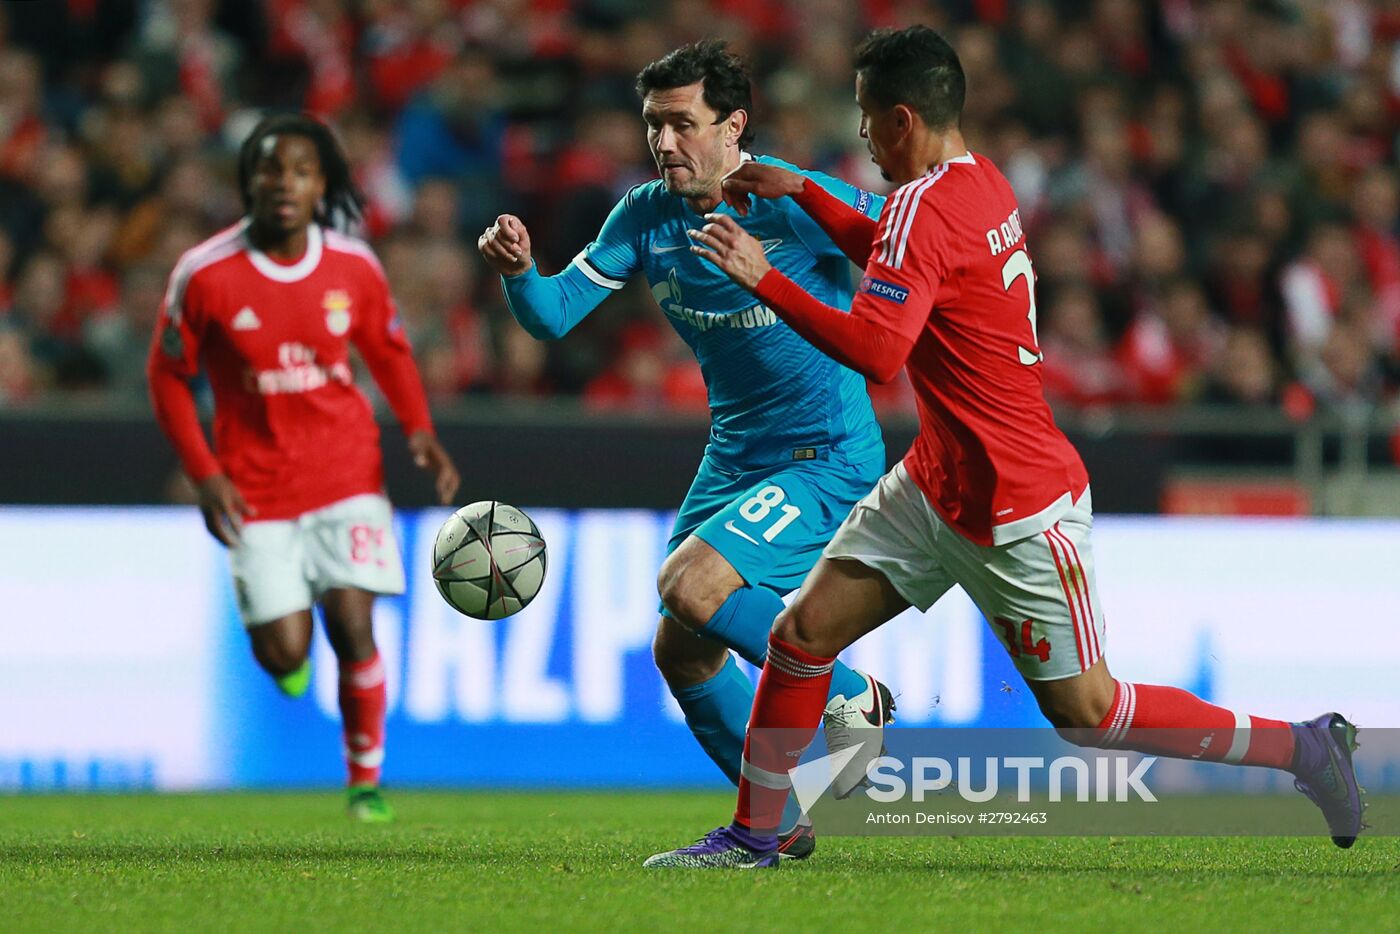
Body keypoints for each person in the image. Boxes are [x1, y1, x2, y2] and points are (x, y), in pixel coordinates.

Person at [647, 26, 1363, 868]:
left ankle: (1305, 748)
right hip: (935, 482)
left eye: (868, 119)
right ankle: (755, 835)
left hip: (1017, 503)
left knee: (1091, 715)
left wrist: (764, 275)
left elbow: (878, 352)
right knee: (801, 636)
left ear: (903, 120)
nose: (865, 138)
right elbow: (897, 253)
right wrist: (803, 190)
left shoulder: (920, 207)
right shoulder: (978, 185)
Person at [477, 41, 894, 860]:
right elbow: (555, 315)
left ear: (733, 126)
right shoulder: (643, 214)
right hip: (735, 455)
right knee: (682, 644)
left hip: (826, 452)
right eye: (652, 126)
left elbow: (900, 251)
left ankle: (854, 697)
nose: (664, 143)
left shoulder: (788, 200)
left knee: (691, 586)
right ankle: (772, 825)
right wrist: (524, 273)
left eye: (682, 125)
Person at [148, 113, 460, 822]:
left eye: (299, 170)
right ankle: (286, 658)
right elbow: (167, 377)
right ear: (248, 181)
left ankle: (365, 782)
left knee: (353, 623)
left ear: (321, 185)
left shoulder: (353, 265)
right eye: (269, 168)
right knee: (284, 650)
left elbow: (387, 350)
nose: (283, 182)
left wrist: (419, 430)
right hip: (254, 489)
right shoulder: (205, 274)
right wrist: (204, 472)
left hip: (346, 474)